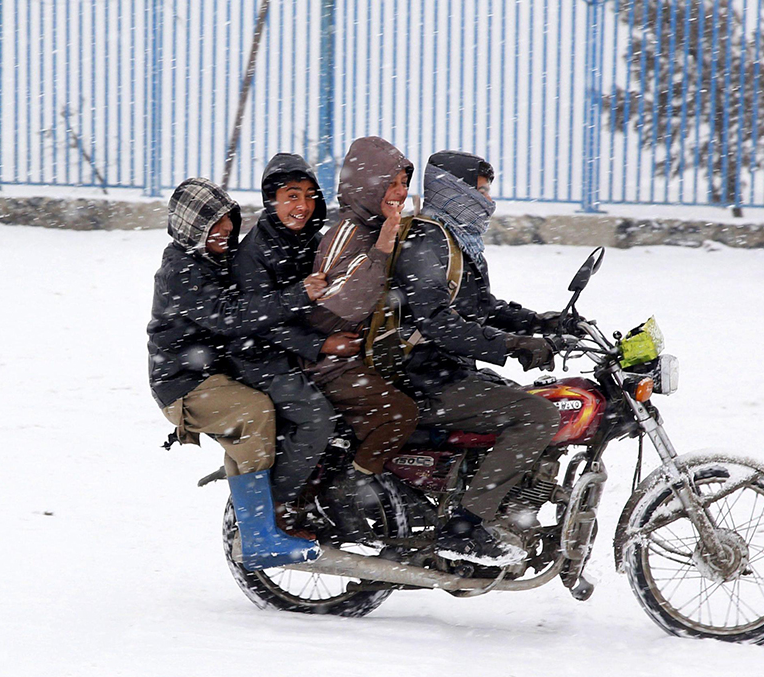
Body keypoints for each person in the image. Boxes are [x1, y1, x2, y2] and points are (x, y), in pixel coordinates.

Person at [392, 151, 563, 566]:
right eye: (480, 191)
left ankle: (499, 511)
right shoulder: (426, 240)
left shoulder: (457, 240)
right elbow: (435, 320)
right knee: (537, 416)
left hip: (449, 373)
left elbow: (482, 307)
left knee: (536, 400)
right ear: (454, 190)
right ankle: (464, 527)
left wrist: (542, 322)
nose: (488, 202)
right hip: (425, 381)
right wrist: (508, 345)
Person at [147, 177, 318, 569]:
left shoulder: (218, 257)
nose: (225, 229)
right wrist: (297, 296)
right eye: (213, 222)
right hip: (184, 383)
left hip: (218, 369)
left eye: (228, 218)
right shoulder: (180, 270)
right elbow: (229, 316)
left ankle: (269, 518)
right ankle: (259, 536)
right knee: (253, 412)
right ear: (192, 227)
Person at [230, 154, 360, 524]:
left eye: (308, 195)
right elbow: (258, 321)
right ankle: (272, 508)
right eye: (291, 196)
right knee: (317, 418)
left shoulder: (312, 241)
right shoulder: (253, 252)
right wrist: (320, 345)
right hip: (260, 359)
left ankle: (339, 494)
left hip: (299, 352)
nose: (302, 206)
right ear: (272, 200)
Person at [304, 137, 421, 504]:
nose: (400, 192)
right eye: (391, 183)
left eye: (404, 183)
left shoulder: (376, 226)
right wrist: (383, 249)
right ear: (369, 183)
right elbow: (342, 305)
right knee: (400, 414)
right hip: (326, 363)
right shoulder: (348, 233)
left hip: (358, 355)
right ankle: (349, 492)